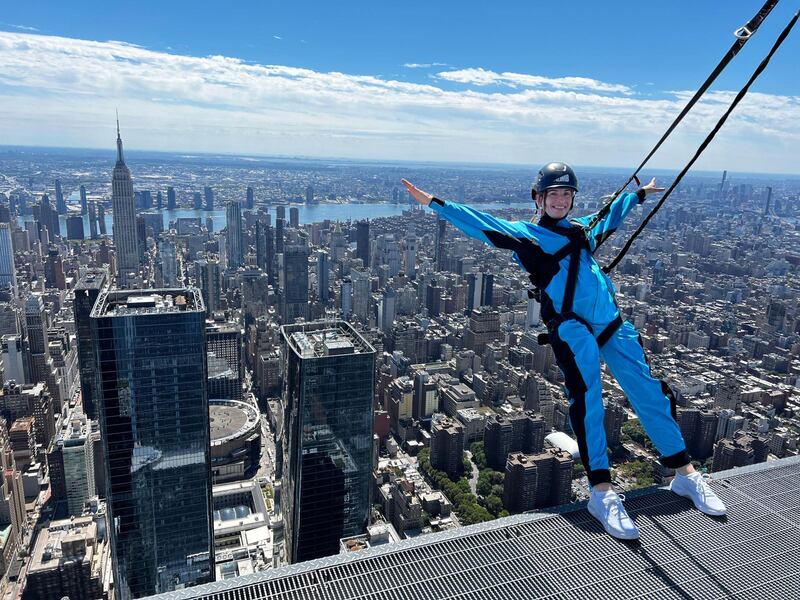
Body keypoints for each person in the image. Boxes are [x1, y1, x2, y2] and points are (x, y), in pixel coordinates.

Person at [402, 163, 727, 540]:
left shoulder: (581, 229)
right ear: (538, 198)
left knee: (651, 394)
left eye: (566, 195)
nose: (560, 200)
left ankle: (685, 474)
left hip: (612, 322)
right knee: (589, 399)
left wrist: (637, 195)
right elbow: (483, 224)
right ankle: (602, 492)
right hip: (570, 325)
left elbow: (609, 215)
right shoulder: (529, 236)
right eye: (552, 194)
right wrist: (435, 203)